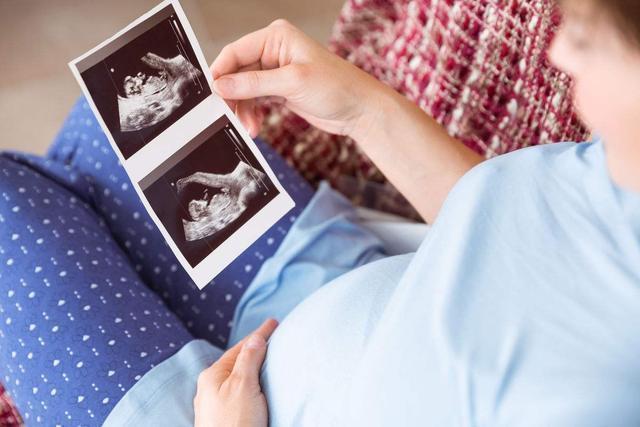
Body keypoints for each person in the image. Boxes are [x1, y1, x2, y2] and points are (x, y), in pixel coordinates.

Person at [0, 0, 638, 425]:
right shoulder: (620, 168)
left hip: (207, 415)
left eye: (586, 39)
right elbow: (522, 234)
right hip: (325, 281)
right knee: (116, 123)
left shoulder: (596, 401)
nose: (557, 55)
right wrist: (362, 107)